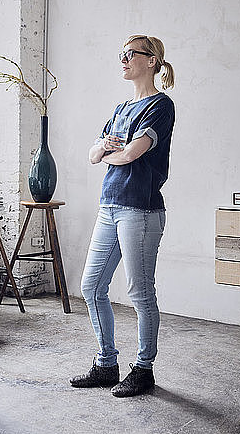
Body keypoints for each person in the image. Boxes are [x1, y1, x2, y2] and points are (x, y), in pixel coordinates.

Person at [70, 35, 175, 397]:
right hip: (110, 205)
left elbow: (130, 155)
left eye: (132, 54)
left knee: (140, 292)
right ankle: (106, 364)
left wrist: (107, 154)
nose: (124, 60)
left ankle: (143, 370)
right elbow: (92, 154)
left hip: (140, 210)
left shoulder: (161, 106)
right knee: (91, 286)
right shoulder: (119, 108)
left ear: (151, 61)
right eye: (122, 55)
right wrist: (102, 150)